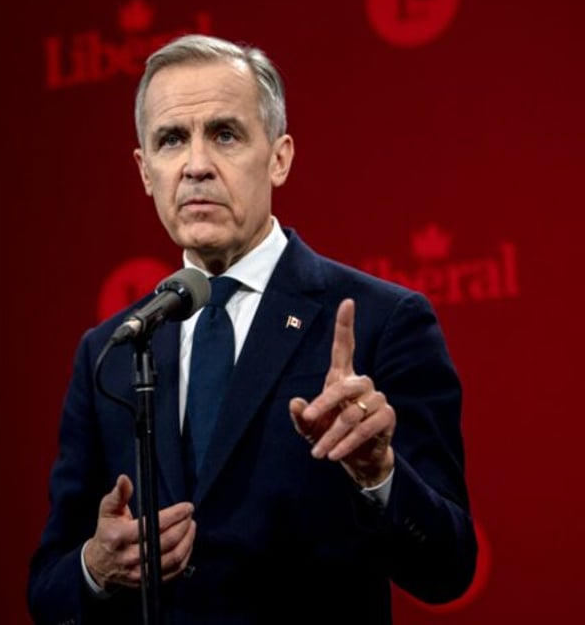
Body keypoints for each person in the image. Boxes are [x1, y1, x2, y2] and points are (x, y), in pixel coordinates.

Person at [27, 34, 477, 624]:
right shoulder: (109, 352)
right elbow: (48, 589)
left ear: (280, 156)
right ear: (144, 171)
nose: (195, 165)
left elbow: (448, 566)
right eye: (170, 141)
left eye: (225, 134)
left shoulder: (382, 321)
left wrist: (379, 475)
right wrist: (96, 564)